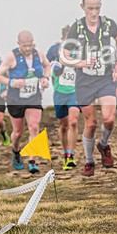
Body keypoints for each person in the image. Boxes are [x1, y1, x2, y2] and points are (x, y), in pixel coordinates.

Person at [60, 0, 117, 177]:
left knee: (109, 119)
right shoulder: (76, 28)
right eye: (90, 8)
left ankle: (103, 145)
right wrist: (80, 63)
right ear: (82, 7)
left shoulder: (109, 24)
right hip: (85, 80)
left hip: (105, 77)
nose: (94, 12)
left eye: (97, 8)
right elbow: (64, 57)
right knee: (91, 123)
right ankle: (89, 161)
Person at [0, 31, 50, 174]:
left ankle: (32, 161)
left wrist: (45, 78)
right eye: (25, 46)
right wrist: (11, 82)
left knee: (34, 127)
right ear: (19, 44)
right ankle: (16, 151)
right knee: (18, 132)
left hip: (33, 97)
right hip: (15, 99)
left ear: (33, 42)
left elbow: (47, 66)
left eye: (30, 45)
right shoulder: (11, 57)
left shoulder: (39, 54)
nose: (28, 48)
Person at [47, 26, 81, 171]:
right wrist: (52, 71)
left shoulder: (81, 50)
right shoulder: (54, 50)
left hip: (75, 92)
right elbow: (46, 66)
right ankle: (65, 151)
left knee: (73, 121)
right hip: (60, 92)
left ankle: (70, 155)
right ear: (63, 38)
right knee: (63, 125)